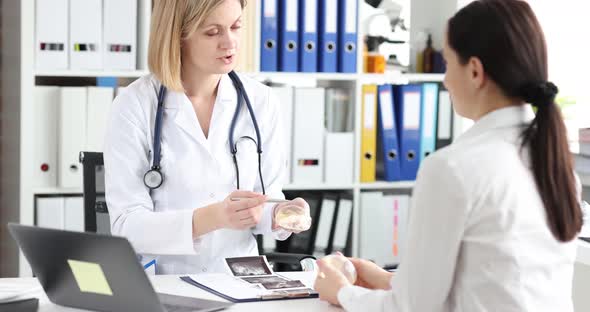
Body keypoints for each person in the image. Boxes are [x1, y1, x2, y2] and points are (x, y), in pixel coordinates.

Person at [314, 0, 583, 311]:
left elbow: (411, 309)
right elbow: (491, 282)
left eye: (447, 63)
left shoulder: (453, 168)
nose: (444, 80)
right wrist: (385, 279)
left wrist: (341, 292)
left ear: (474, 71)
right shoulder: (555, 165)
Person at [103, 0, 311, 274]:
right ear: (177, 35)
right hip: (165, 280)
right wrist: (210, 218)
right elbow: (127, 226)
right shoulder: (135, 105)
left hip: (241, 279)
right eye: (213, 32)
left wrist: (282, 214)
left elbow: (265, 199)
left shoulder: (261, 101)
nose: (230, 42)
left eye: (236, 26)